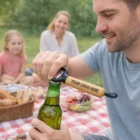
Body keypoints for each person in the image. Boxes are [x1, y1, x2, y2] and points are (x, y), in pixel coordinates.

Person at [27, 0, 140, 140]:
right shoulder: (105, 50)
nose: (98, 28)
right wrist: (55, 64)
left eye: (109, 15)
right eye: (98, 15)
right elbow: (71, 67)